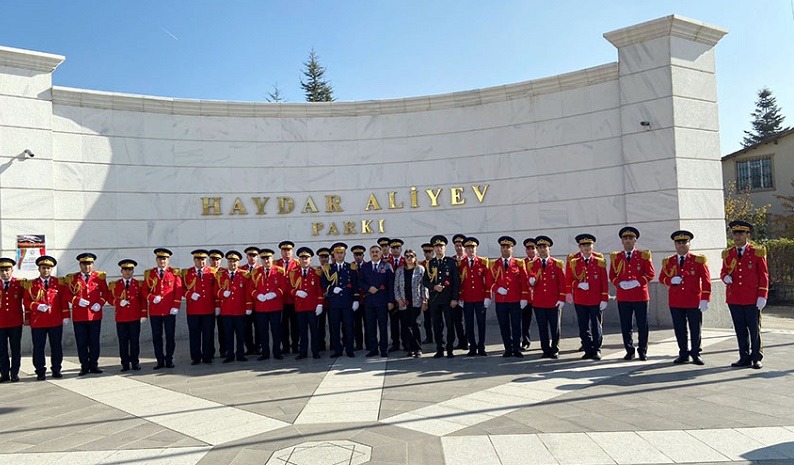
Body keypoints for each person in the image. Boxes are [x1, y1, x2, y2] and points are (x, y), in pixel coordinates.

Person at [721, 220, 769, 369]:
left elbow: (764, 275)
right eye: (735, 233)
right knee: (740, 329)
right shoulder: (728, 254)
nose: (737, 237)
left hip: (752, 298)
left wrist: (762, 295)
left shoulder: (756, 252)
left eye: (741, 233)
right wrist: (724, 277)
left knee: (754, 329)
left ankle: (756, 357)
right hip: (734, 297)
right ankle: (744, 356)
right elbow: (723, 271)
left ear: (748, 235)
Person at [660, 230, 711, 365]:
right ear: (675, 245)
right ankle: (683, 353)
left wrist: (705, 298)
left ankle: (696, 353)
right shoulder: (669, 261)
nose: (681, 245)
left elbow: (706, 280)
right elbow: (661, 278)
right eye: (678, 243)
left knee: (695, 328)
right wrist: (670, 280)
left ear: (689, 244)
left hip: (694, 300)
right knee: (679, 328)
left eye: (684, 242)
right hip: (676, 301)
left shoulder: (698, 260)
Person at [609, 227, 656, 361]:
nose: (628, 241)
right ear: (622, 241)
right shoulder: (616, 257)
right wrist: (619, 283)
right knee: (626, 325)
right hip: (623, 296)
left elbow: (651, 273)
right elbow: (612, 275)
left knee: (643, 325)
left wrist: (638, 282)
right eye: (625, 239)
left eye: (630, 238)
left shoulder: (643, 255)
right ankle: (629, 350)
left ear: (635, 241)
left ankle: (642, 350)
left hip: (640, 295)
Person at [23, 256, 70, 380]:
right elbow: (26, 301)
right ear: (39, 269)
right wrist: (37, 306)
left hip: (55, 320)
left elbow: (63, 300)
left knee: (56, 346)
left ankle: (56, 369)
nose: (46, 270)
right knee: (38, 347)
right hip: (38, 321)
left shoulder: (59, 283)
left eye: (48, 268)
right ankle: (40, 371)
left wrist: (66, 315)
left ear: (52, 269)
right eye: (43, 268)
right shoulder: (31, 284)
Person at [567, 234, 608, 361]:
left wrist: (604, 298)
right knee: (583, 326)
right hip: (580, 299)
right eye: (584, 245)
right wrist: (577, 285)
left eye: (589, 245)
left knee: (596, 326)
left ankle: (596, 349)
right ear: (579, 247)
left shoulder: (599, 261)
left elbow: (604, 281)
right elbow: (568, 279)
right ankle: (587, 349)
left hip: (595, 299)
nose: (587, 248)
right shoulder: (574, 262)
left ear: (592, 246)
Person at [66, 252, 109, 376]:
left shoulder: (99, 277)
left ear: (93, 264)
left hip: (95, 315)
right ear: (80, 265)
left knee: (94, 341)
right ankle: (84, 366)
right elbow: (67, 294)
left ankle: (94, 364)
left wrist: (100, 303)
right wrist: (77, 300)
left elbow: (105, 293)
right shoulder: (72, 278)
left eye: (89, 264)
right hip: (79, 316)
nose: (87, 267)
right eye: (84, 264)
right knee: (82, 342)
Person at [489, 236, 529, 358]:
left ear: (512, 249)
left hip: (515, 300)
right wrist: (497, 289)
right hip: (501, 301)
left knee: (516, 325)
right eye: (503, 247)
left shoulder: (519, 263)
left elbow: (524, 281)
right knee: (504, 325)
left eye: (508, 247)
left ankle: (516, 348)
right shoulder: (494, 264)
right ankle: (507, 348)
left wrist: (524, 298)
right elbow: (489, 281)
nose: (505, 249)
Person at [527, 236, 566, 359]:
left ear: (549, 248)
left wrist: (562, 298)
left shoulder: (557, 264)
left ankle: (555, 348)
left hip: (553, 301)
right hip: (539, 302)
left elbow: (562, 283)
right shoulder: (532, 264)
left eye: (545, 247)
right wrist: (531, 281)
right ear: (537, 249)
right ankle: (545, 349)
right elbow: (529, 281)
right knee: (542, 327)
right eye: (540, 247)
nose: (543, 250)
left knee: (555, 327)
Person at [143, 248, 182, 369]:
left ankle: (169, 359)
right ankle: (159, 360)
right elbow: (144, 290)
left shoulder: (174, 273)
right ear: (156, 260)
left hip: (169, 310)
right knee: (156, 336)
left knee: (170, 336)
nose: (162, 261)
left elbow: (178, 290)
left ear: (168, 260)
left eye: (164, 259)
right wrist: (151, 297)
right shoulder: (150, 274)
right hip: (155, 311)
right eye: (160, 259)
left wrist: (176, 306)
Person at [423, 235, 461, 358]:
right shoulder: (430, 263)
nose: (439, 249)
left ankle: (450, 348)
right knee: (437, 324)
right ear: (433, 249)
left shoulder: (450, 262)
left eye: (441, 246)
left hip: (448, 299)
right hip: (435, 300)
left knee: (450, 324)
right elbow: (425, 281)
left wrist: (455, 298)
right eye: (436, 247)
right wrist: (433, 287)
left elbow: (456, 281)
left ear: (445, 248)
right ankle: (439, 348)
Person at [323, 242, 360, 358]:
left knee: (349, 326)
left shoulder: (351, 267)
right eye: (337, 253)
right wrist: (332, 289)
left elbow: (355, 284)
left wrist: (356, 299)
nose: (339, 255)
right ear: (333, 254)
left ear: (345, 254)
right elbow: (323, 283)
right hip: (334, 303)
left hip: (347, 302)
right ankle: (337, 349)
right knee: (334, 327)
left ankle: (349, 349)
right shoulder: (328, 268)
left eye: (341, 253)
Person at [109, 259, 147, 372]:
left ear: (133, 270)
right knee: (123, 342)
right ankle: (125, 363)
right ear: (121, 271)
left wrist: (144, 314)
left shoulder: (138, 284)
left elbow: (143, 300)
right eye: (125, 269)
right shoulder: (115, 285)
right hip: (121, 317)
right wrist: (118, 302)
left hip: (134, 317)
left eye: (130, 269)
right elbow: (110, 298)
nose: (127, 272)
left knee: (135, 341)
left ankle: (135, 362)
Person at [183, 249, 219, 365]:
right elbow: (181, 288)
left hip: (208, 308)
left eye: (203, 259)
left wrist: (217, 306)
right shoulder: (186, 273)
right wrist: (189, 294)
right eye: (198, 259)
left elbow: (216, 288)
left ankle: (207, 356)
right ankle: (196, 356)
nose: (201, 262)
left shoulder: (212, 272)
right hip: (193, 309)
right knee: (194, 333)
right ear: (194, 260)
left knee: (208, 333)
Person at [251, 248, 287, 360]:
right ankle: (265, 352)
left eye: (268, 258)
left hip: (275, 306)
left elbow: (283, 286)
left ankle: (277, 351)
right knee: (262, 330)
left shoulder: (279, 271)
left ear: (272, 258)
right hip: (261, 307)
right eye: (264, 258)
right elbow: (251, 287)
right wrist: (257, 295)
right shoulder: (256, 272)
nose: (266, 261)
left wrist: (275, 294)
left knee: (276, 330)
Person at [458, 237, 491, 356]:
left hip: (480, 298)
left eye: (473, 247)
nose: (470, 250)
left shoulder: (483, 262)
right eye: (468, 248)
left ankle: (481, 346)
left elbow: (488, 280)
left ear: (476, 249)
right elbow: (460, 282)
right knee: (469, 323)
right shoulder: (461, 263)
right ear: (465, 250)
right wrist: (460, 296)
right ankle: (472, 346)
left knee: (481, 323)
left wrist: (488, 296)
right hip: (467, 298)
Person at [216, 250, 251, 363]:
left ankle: (240, 354)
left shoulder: (244, 275)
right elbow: (214, 290)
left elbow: (247, 292)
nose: (233, 264)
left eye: (235, 261)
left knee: (240, 334)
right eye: (230, 261)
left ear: (239, 262)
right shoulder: (221, 275)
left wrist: (248, 307)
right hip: (226, 310)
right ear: (227, 262)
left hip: (240, 310)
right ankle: (230, 354)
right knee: (228, 334)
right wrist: (221, 294)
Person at [360, 245, 395, 357]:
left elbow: (391, 285)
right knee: (370, 326)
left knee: (383, 326)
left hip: (382, 301)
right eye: (372, 252)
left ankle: (383, 349)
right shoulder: (365, 267)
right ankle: (373, 349)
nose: (375, 253)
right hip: (369, 301)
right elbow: (360, 282)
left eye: (376, 252)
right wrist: (368, 288)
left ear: (380, 253)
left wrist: (391, 301)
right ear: (370, 254)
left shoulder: (387, 266)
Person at [289, 247, 324, 360]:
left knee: (314, 330)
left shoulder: (315, 273)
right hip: (300, 307)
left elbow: (319, 290)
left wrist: (320, 304)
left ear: (310, 260)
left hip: (312, 307)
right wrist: (296, 292)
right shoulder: (293, 273)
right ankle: (303, 352)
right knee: (302, 331)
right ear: (299, 260)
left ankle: (315, 351)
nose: (304, 260)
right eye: (302, 258)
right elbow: (289, 288)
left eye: (307, 258)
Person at [394, 249, 428, 358]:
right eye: (407, 256)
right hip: (404, 302)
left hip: (416, 301)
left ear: (415, 258)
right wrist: (398, 299)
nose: (409, 258)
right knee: (406, 326)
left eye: (411, 256)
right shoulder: (399, 271)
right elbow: (396, 287)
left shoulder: (420, 269)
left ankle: (418, 348)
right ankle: (410, 348)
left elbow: (424, 286)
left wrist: (424, 300)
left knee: (416, 325)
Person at [0, 258, 24, 382]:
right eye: (2, 270)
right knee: (1, 350)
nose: (5, 273)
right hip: (0, 323)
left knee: (15, 348)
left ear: (12, 270)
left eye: (7, 270)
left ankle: (15, 373)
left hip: (15, 322)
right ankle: (4, 373)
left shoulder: (19, 284)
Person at [277, 241, 300, 354]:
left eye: (289, 250)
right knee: (283, 325)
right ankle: (285, 346)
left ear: (292, 251)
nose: (287, 252)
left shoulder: (297, 263)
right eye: (284, 250)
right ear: (281, 252)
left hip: (294, 299)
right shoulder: (276, 263)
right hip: (281, 300)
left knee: (295, 325)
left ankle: (295, 345)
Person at [239, 246, 261, 355]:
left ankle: (258, 347)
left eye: (254, 256)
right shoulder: (241, 269)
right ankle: (249, 347)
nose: (252, 258)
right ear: (246, 257)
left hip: (258, 303)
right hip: (244, 303)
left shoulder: (261, 269)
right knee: (246, 327)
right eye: (250, 255)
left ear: (257, 257)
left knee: (259, 327)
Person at [386, 239, 405, 352]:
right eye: (393, 248)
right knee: (393, 323)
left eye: (397, 248)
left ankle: (406, 342)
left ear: (401, 249)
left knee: (405, 322)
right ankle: (395, 343)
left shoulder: (405, 261)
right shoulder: (387, 262)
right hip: (392, 297)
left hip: (403, 297)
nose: (395, 250)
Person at [450, 233, 468, 350]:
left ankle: (468, 341)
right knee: (458, 321)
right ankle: (461, 341)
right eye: (456, 245)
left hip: (468, 294)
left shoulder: (469, 259)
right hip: (456, 295)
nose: (459, 247)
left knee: (469, 320)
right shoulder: (451, 260)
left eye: (461, 245)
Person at [208, 249, 227, 358]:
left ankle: (224, 350)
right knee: (209, 331)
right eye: (213, 259)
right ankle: (210, 352)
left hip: (222, 305)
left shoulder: (224, 272)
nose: (215, 262)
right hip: (208, 305)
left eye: (218, 259)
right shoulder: (206, 271)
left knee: (223, 330)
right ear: (209, 260)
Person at [521, 237, 538, 351]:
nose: (531, 251)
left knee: (543, 320)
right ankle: (525, 341)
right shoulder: (522, 263)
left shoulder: (540, 262)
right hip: (527, 297)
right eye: (528, 249)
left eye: (533, 248)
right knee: (525, 321)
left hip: (539, 296)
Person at [350, 245, 368, 351]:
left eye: (360, 255)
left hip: (366, 299)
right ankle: (359, 344)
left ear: (363, 255)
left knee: (368, 323)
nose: (358, 257)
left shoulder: (367, 265)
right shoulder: (351, 266)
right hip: (355, 300)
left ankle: (369, 343)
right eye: (356, 255)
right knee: (356, 324)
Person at [316, 247, 332, 351]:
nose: (324, 259)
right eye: (322, 257)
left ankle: (334, 344)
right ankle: (321, 344)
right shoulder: (316, 271)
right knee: (320, 325)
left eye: (326, 257)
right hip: (321, 301)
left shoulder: (332, 268)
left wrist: (329, 292)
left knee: (333, 324)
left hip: (331, 300)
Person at [419, 242, 435, 344]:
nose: (427, 254)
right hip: (425, 295)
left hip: (435, 294)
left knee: (437, 319)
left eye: (429, 252)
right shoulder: (421, 265)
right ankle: (429, 337)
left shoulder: (436, 263)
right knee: (427, 318)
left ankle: (439, 337)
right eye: (426, 252)